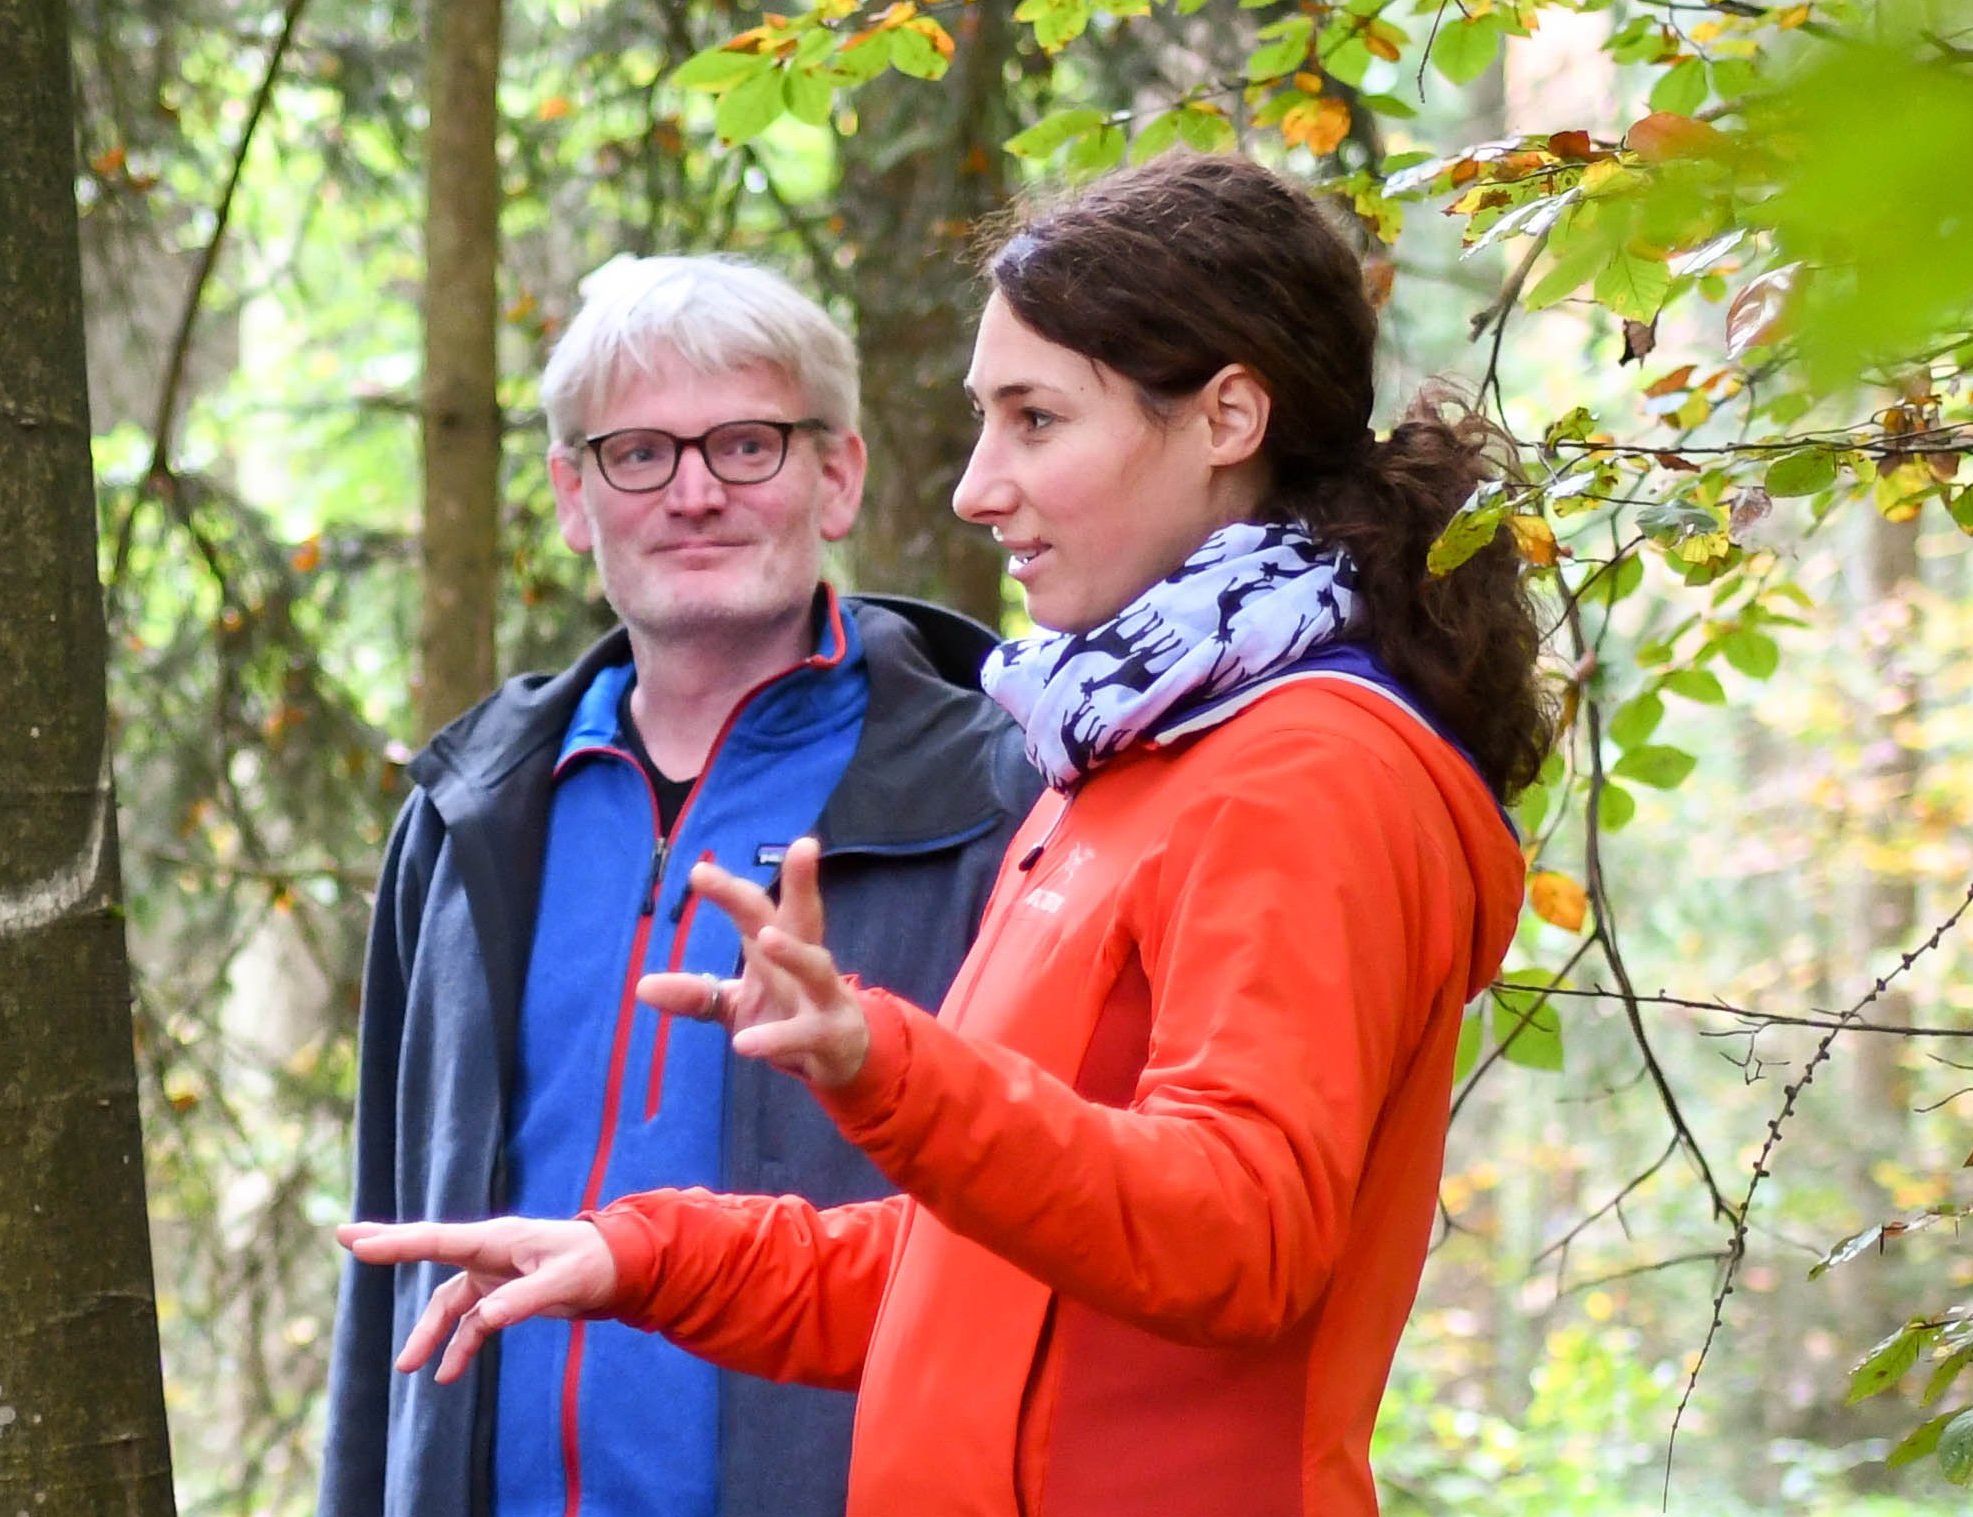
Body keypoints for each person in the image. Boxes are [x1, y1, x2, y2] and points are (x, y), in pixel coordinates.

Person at [332, 154, 1552, 1517]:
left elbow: (1239, 1232)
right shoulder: (1127, 754)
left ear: (1224, 416)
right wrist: (643, 1254)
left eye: (1033, 420)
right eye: (984, 421)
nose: (977, 487)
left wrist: (879, 1065)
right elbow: (967, 1279)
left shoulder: (1309, 767)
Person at [324, 254, 1050, 1517]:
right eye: (638, 453)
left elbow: (1056, 1223)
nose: (695, 493)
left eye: (748, 444)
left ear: (837, 476)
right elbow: (389, 1237)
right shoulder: (472, 810)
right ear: (570, 493)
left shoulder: (988, 797)